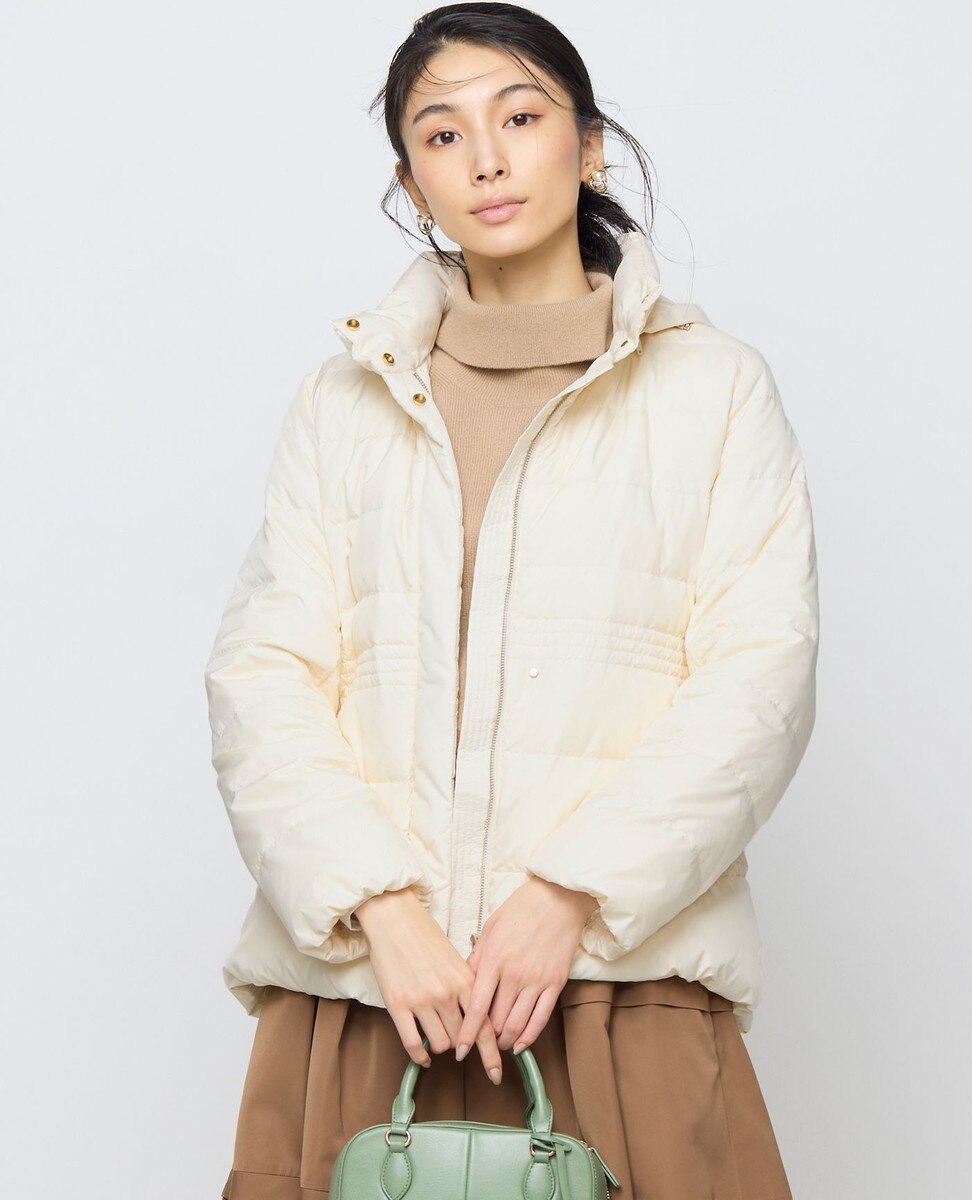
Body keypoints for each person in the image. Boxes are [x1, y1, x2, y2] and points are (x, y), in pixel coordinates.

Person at [204, 6, 819, 1198]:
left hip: (618, 991)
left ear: (588, 147)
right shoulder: (343, 403)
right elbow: (261, 679)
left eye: (521, 117)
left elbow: (758, 683)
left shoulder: (715, 391)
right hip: (373, 997)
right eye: (442, 134)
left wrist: (567, 895)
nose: (485, 158)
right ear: (412, 182)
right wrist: (381, 910)